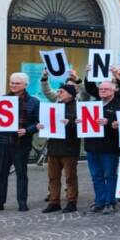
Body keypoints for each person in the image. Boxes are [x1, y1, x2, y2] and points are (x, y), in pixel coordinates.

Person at [0, 72, 41, 212]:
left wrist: (27, 131)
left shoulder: (34, 102)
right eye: (12, 82)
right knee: (1, 173)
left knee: (21, 173)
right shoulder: (1, 100)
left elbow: (39, 122)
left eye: (17, 83)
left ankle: (22, 201)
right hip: (2, 142)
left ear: (25, 85)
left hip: (21, 143)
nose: (13, 85)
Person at [38, 78, 82, 213]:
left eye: (61, 92)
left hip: (69, 148)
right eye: (58, 91)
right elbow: (47, 122)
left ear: (70, 94)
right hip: (54, 147)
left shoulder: (79, 107)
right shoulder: (55, 106)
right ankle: (54, 201)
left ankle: (71, 202)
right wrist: (41, 125)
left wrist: (70, 122)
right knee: (53, 177)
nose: (58, 94)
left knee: (70, 177)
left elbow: (82, 128)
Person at [83, 79, 120, 213]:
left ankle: (110, 201)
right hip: (92, 146)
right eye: (101, 89)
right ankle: (99, 201)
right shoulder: (92, 104)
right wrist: (81, 120)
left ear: (113, 91)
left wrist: (110, 121)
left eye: (106, 89)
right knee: (96, 175)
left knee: (110, 175)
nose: (102, 91)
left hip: (109, 147)